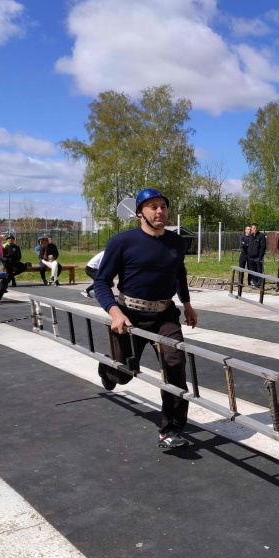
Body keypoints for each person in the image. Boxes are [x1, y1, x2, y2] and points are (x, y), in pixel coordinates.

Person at [92, 187, 198, 449]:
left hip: (165, 315)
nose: (160, 211)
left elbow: (179, 275)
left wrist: (187, 305)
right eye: (153, 207)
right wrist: (114, 312)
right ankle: (108, 370)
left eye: (163, 206)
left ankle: (171, 429)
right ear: (140, 212)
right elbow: (102, 282)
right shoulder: (122, 242)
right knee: (125, 373)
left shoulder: (175, 242)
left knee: (174, 364)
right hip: (129, 315)